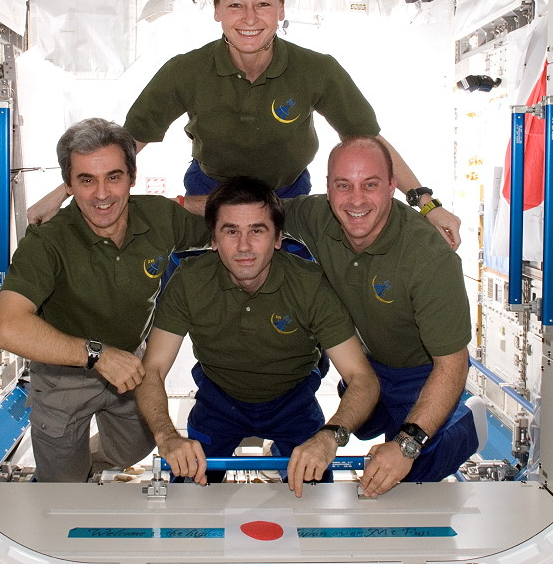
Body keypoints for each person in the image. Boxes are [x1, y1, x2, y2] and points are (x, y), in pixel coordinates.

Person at [26, 0, 461, 249]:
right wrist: (64, 193)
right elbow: (122, 148)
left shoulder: (317, 70)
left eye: (263, 3)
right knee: (193, 288)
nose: (249, 18)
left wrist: (427, 204)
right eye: (235, 3)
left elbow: (371, 145)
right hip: (209, 191)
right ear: (216, 9)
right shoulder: (185, 71)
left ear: (281, 8)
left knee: (300, 294)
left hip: (289, 194)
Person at [0, 118, 210, 482]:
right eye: (86, 180)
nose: (102, 194)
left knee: (133, 449)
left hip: (129, 361)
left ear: (132, 177)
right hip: (63, 374)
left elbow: (233, 218)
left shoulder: (160, 216)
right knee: (64, 484)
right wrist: (99, 355)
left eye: (113, 177)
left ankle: (90, 467)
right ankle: (73, 474)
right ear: (69, 185)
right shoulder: (47, 242)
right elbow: (6, 329)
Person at [134, 177, 379, 497]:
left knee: (316, 500)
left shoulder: (310, 285)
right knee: (188, 496)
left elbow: (362, 378)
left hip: (294, 401)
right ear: (213, 240)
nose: (244, 246)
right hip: (218, 400)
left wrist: (330, 437)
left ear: (278, 238)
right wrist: (167, 437)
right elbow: (152, 370)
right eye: (231, 231)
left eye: (257, 231)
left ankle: (283, 452)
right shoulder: (189, 281)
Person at [281, 136, 478, 497]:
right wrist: (177, 207)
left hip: (421, 372)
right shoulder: (316, 215)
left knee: (415, 471)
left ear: (391, 187)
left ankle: (464, 423)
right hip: (368, 363)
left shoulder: (430, 258)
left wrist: (407, 444)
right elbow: (250, 211)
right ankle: (381, 416)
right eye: (343, 185)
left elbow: (452, 365)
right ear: (328, 189)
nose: (356, 200)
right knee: (363, 422)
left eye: (370, 185)